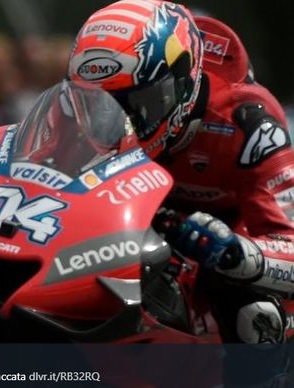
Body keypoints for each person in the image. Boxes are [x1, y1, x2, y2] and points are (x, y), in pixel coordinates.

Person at [68, 0, 293, 344]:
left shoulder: (250, 126)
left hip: (222, 240)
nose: (116, 123)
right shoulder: (81, 121)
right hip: (126, 230)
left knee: (254, 312)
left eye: (139, 102)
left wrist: (236, 252)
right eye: (97, 103)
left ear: (182, 80)